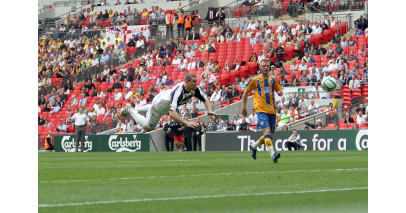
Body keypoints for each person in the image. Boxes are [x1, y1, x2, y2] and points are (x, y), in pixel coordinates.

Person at [121, 73, 216, 132]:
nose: (196, 83)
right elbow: (172, 113)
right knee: (149, 127)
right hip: (162, 104)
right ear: (186, 82)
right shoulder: (178, 92)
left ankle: (136, 109)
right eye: (194, 81)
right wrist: (186, 122)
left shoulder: (195, 89)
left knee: (152, 107)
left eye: (196, 81)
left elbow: (205, 99)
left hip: (162, 96)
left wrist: (209, 110)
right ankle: (130, 110)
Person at [242, 59, 283, 163]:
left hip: (272, 111)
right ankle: (273, 155)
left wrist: (280, 92)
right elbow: (246, 93)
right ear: (260, 67)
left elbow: (278, 89)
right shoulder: (255, 80)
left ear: (270, 67)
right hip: (261, 110)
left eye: (267, 66)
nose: (265, 68)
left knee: (269, 136)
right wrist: (243, 107)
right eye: (263, 66)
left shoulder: (273, 79)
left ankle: (254, 146)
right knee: (267, 132)